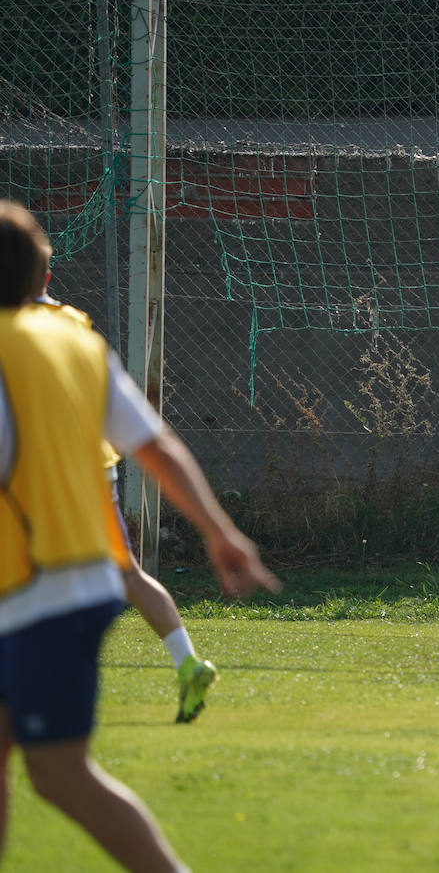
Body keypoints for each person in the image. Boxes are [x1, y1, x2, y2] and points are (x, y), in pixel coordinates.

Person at [0, 200, 280, 871]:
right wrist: (220, 530)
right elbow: (156, 446)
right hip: (80, 579)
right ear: (40, 271)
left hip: (34, 593)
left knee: (60, 776)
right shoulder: (78, 341)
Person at [36, 283, 219, 723]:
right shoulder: (75, 323)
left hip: (42, 472)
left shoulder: (18, 329)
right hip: (96, 467)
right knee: (127, 574)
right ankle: (188, 661)